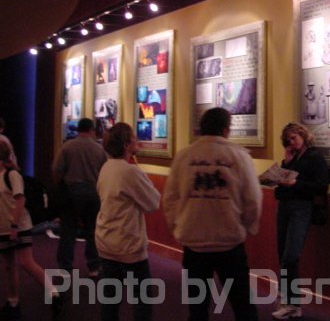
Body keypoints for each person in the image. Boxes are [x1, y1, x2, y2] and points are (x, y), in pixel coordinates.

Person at [163, 107, 262, 321]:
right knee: (242, 305)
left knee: (197, 307)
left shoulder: (184, 156)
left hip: (194, 243)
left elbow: (170, 199)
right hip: (229, 242)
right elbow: (253, 199)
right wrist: (246, 227)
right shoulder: (238, 155)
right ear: (226, 129)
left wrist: (178, 227)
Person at [95, 123, 161, 321]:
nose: (136, 139)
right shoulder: (130, 171)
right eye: (133, 137)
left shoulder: (106, 167)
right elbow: (153, 202)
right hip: (127, 243)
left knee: (110, 299)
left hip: (106, 240)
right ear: (125, 145)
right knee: (142, 299)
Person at [0, 140, 64, 320]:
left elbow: (20, 200)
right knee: (9, 265)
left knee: (26, 262)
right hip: (3, 228)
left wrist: (14, 225)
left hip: (19, 226)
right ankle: (13, 301)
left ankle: (54, 294)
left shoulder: (12, 175)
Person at [272, 122, 329, 320]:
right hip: (284, 207)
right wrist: (286, 163)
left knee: (291, 255)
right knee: (283, 254)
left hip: (301, 208)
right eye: (287, 140)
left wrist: (296, 183)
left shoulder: (314, 157)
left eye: (294, 138)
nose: (291, 142)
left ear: (303, 136)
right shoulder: (292, 158)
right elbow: (282, 183)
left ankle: (292, 303)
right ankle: (285, 298)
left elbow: (321, 186)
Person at [52, 117, 107, 277]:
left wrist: (60, 186)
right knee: (92, 231)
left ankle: (65, 267)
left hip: (71, 192)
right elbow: (105, 172)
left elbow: (57, 169)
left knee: (68, 231)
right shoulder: (99, 149)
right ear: (91, 130)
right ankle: (94, 266)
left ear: (78, 130)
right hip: (93, 193)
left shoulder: (67, 147)